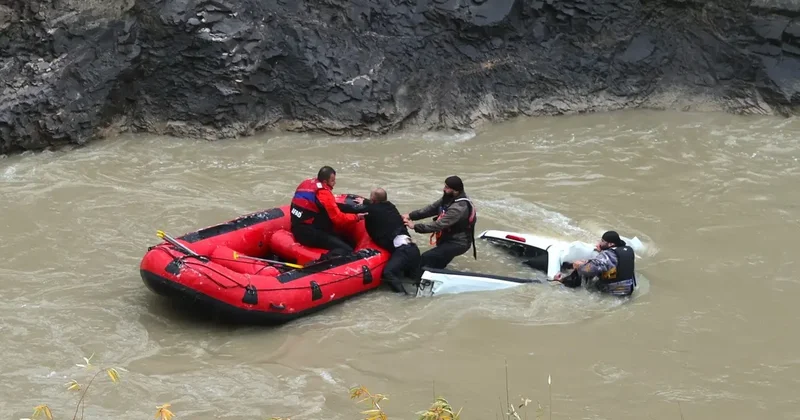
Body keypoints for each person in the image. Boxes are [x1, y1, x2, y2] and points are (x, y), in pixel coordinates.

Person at [351, 188, 422, 294]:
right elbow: (376, 206)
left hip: (404, 251)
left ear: (373, 200)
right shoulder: (391, 207)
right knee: (414, 280)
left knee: (388, 273)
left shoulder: (372, 210)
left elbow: (353, 209)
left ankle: (404, 297)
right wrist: (366, 202)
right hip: (412, 249)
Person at [403, 175, 477, 272]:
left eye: (447, 187)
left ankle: (416, 280)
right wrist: (410, 215)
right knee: (438, 263)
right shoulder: (448, 198)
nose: (444, 189)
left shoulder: (459, 207)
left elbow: (438, 225)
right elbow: (430, 209)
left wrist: (415, 226)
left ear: (455, 190)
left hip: (457, 243)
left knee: (427, 257)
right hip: (447, 239)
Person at [290, 166, 366, 255]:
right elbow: (339, 219)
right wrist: (357, 217)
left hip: (297, 226)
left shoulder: (306, 183)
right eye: (332, 180)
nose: (335, 183)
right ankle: (325, 261)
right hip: (308, 234)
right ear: (325, 182)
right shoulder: (324, 194)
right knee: (347, 249)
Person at [554, 230, 637, 297]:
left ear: (611, 244)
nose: (599, 243)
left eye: (602, 241)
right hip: (629, 289)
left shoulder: (608, 255)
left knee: (582, 271)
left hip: (614, 293)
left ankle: (561, 281)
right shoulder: (628, 249)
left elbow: (588, 270)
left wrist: (578, 265)